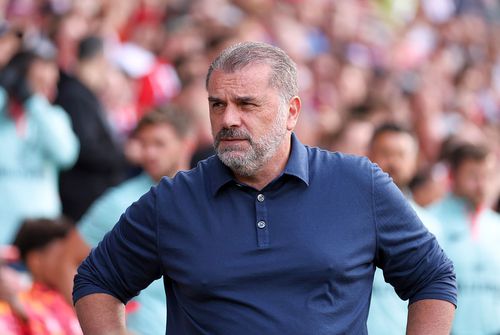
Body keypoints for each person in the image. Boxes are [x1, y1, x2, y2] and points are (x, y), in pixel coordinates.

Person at [73, 41, 457, 334]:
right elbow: (96, 281)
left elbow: (433, 278)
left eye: (246, 104)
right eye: (217, 105)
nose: (229, 119)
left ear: (292, 111)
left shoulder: (359, 185)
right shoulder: (173, 200)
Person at [68, 106, 194, 335]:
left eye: (159, 143)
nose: (149, 153)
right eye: (144, 144)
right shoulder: (118, 201)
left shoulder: (207, 195)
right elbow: (66, 262)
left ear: (186, 143)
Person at [367, 123, 442, 335]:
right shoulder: (348, 218)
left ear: (416, 162)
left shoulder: (432, 225)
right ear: (368, 154)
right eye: (385, 153)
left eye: (401, 154)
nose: (393, 162)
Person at [0, 48, 79, 245]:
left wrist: (33, 102)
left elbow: (66, 154)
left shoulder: (53, 116)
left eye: (51, 83)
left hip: (39, 236)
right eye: (39, 82)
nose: (50, 90)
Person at [55, 35, 130, 222]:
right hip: (81, 199)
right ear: (98, 60)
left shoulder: (82, 94)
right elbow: (85, 148)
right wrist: (124, 154)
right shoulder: (74, 96)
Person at [429, 143, 500, 334]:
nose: (482, 185)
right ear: (452, 176)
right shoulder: (429, 222)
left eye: (489, 176)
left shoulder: (496, 225)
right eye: (473, 176)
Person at [0, 218, 82, 334]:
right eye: (63, 257)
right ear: (36, 260)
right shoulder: (13, 306)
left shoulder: (81, 296)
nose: (75, 263)